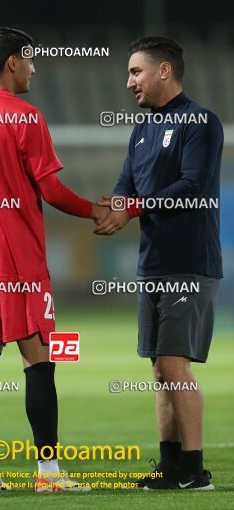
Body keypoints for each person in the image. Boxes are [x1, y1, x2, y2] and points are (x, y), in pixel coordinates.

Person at [0, 26, 109, 494]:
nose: (35, 68)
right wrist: (97, 209)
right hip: (19, 261)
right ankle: (48, 475)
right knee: (39, 361)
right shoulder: (25, 116)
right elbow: (50, 188)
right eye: (31, 60)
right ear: (12, 62)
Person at [95, 36, 223, 490]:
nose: (129, 81)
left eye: (135, 72)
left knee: (173, 365)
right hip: (152, 264)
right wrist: (110, 206)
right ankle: (171, 467)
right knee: (158, 368)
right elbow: (125, 182)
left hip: (189, 262)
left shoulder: (200, 121)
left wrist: (131, 208)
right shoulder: (141, 129)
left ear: (164, 70)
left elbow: (192, 185)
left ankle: (195, 469)